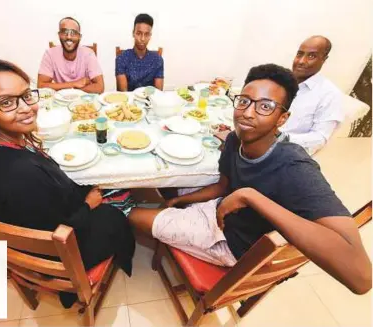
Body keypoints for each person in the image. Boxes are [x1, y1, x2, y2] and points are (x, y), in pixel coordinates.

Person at [128, 64, 371, 295]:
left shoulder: (294, 167)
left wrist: (251, 196)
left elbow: (362, 278)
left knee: (132, 214)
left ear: (282, 118)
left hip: (232, 244)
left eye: (265, 106)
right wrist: (182, 201)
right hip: (221, 210)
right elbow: (223, 186)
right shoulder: (235, 140)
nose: (247, 113)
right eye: (244, 101)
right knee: (166, 183)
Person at [0, 59, 134, 307]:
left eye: (26, 96)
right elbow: (56, 235)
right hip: (60, 254)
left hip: (44, 225)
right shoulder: (20, 173)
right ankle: (77, 285)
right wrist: (89, 204)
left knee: (108, 189)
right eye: (6, 102)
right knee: (120, 210)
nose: (26, 109)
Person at [279, 36, 344, 154]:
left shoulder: (330, 94)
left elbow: (320, 138)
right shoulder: (279, 80)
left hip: (287, 155)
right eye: (299, 54)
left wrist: (278, 138)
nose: (301, 61)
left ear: (324, 59)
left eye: (311, 56)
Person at [37, 17, 104, 94]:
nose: (69, 37)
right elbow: (41, 85)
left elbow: (100, 87)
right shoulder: (50, 54)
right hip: (60, 101)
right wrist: (74, 84)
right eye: (64, 32)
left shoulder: (89, 54)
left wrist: (71, 91)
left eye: (74, 33)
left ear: (79, 37)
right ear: (59, 35)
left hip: (83, 101)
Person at [116, 13, 164, 92]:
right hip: (129, 102)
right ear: (133, 33)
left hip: (150, 102)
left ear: (150, 36)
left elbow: (158, 93)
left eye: (146, 34)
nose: (142, 38)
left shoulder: (157, 59)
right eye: (138, 33)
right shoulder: (121, 58)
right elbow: (124, 93)